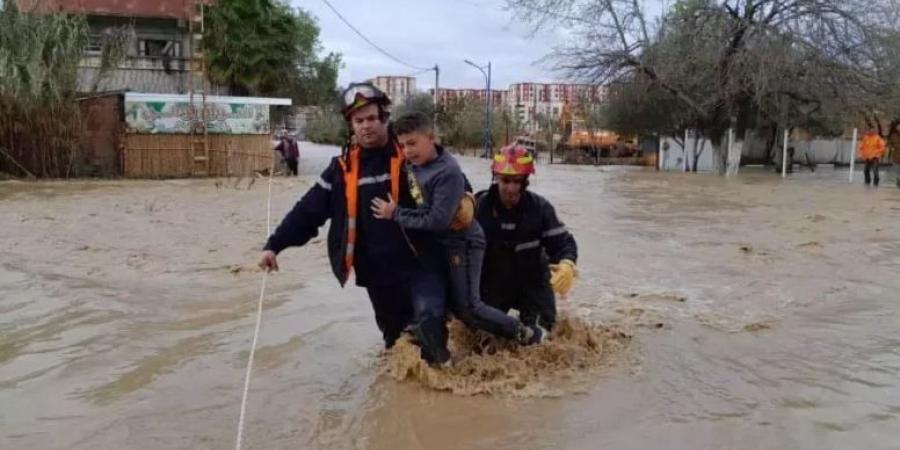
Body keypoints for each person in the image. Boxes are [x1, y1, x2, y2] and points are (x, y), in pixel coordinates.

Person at [258, 82, 451, 365]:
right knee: (396, 346)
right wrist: (274, 246)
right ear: (351, 125)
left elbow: (450, 180)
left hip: (422, 263)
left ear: (385, 118)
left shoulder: (411, 152)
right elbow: (307, 212)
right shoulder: (341, 169)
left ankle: (448, 386)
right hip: (378, 275)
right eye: (358, 121)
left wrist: (472, 203)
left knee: (429, 323)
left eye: (372, 118)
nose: (366, 126)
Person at [371, 112, 545, 345]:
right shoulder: (414, 162)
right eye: (402, 145)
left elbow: (436, 220)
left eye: (412, 144)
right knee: (454, 306)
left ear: (431, 138)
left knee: (469, 308)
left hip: (463, 243)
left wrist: (395, 213)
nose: (407, 151)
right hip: (444, 243)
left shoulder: (446, 171)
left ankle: (524, 334)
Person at [475, 145, 579, 331]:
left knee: (542, 336)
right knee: (482, 337)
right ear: (496, 178)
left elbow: (563, 243)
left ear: (526, 181)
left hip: (532, 282)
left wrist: (567, 264)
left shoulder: (540, 209)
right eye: (506, 181)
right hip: (492, 283)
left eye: (517, 181)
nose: (511, 188)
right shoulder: (478, 209)